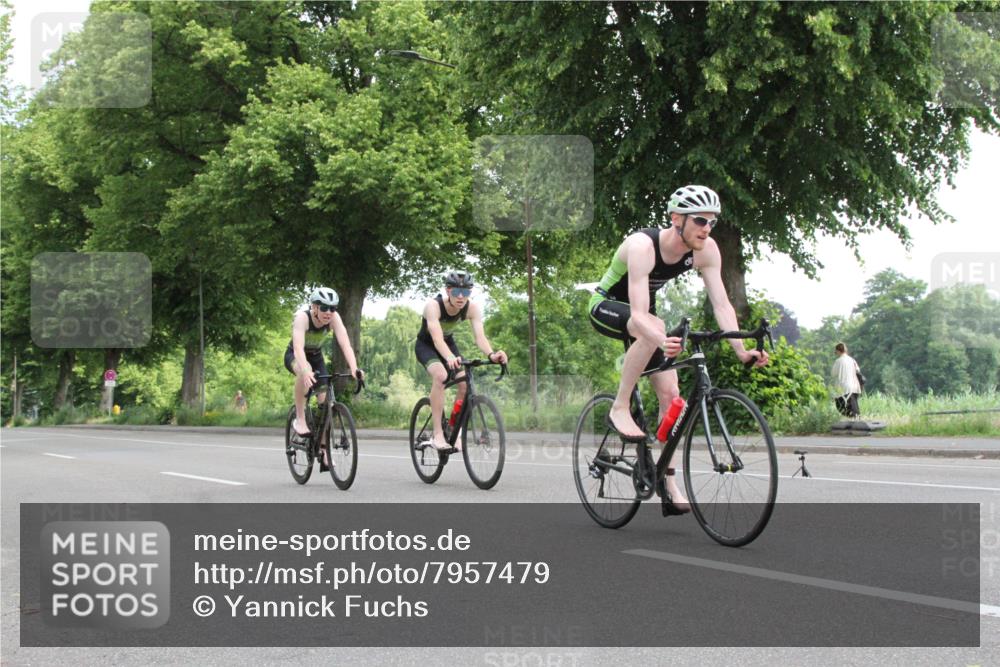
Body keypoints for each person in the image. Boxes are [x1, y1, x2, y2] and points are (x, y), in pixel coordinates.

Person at [588, 184, 769, 514]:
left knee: (672, 396)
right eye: (700, 220)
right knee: (654, 327)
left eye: (712, 221)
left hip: (645, 317)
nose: (707, 228)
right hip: (607, 305)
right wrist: (659, 339)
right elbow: (639, 316)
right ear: (676, 219)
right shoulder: (642, 246)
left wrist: (741, 350)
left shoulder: (706, 250)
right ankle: (620, 406)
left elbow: (722, 305)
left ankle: (667, 483)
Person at [415, 270, 508, 451]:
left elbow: (480, 338)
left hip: (448, 344)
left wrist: (492, 355)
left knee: (464, 384)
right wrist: (449, 357)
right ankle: (437, 434)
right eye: (456, 291)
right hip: (427, 345)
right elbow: (437, 340)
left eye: (465, 292)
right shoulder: (433, 306)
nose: (460, 297)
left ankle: (452, 428)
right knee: (441, 376)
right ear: (447, 291)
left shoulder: (472, 308)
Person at [284, 287, 364, 441]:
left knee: (326, 406)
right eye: (324, 307)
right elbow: (298, 348)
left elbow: (345, 345)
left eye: (332, 308)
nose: (329, 312)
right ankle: (300, 418)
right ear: (314, 307)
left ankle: (322, 448)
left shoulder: (334, 318)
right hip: (295, 355)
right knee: (304, 370)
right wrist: (305, 371)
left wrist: (354, 368)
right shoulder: (302, 318)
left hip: (316, 357)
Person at [831, 342, 862, 419]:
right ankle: (855, 420)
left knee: (841, 406)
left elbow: (833, 374)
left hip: (844, 387)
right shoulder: (852, 360)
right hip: (854, 386)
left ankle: (853, 420)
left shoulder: (838, 361)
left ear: (838, 351)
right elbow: (858, 370)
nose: (836, 354)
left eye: (836, 352)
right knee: (853, 408)